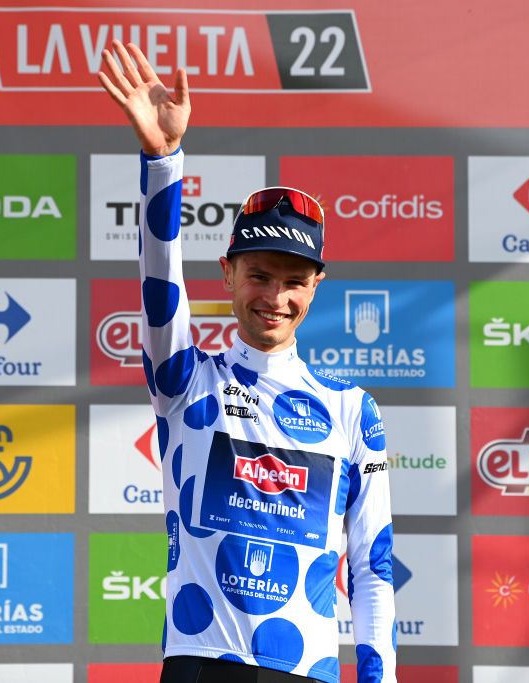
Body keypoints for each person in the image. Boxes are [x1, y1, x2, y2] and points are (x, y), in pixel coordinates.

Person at [99, 41, 396, 683]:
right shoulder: (185, 377)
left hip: (309, 669)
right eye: (259, 275)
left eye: (294, 281)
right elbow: (159, 279)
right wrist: (161, 160)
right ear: (229, 274)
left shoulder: (352, 410)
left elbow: (373, 566)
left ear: (316, 285)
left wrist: (380, 678)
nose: (276, 297)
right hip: (201, 663)